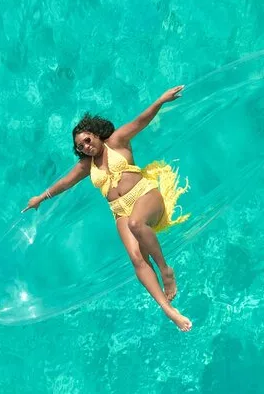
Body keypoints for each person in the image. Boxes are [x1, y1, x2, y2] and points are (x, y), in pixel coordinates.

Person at [23, 85, 193, 332]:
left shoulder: (117, 141)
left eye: (87, 140)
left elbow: (141, 121)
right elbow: (65, 183)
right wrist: (41, 197)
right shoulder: (87, 165)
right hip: (119, 210)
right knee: (136, 258)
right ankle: (168, 310)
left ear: (96, 134)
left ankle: (166, 271)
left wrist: (161, 100)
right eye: (80, 147)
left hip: (145, 195)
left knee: (136, 224)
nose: (86, 147)